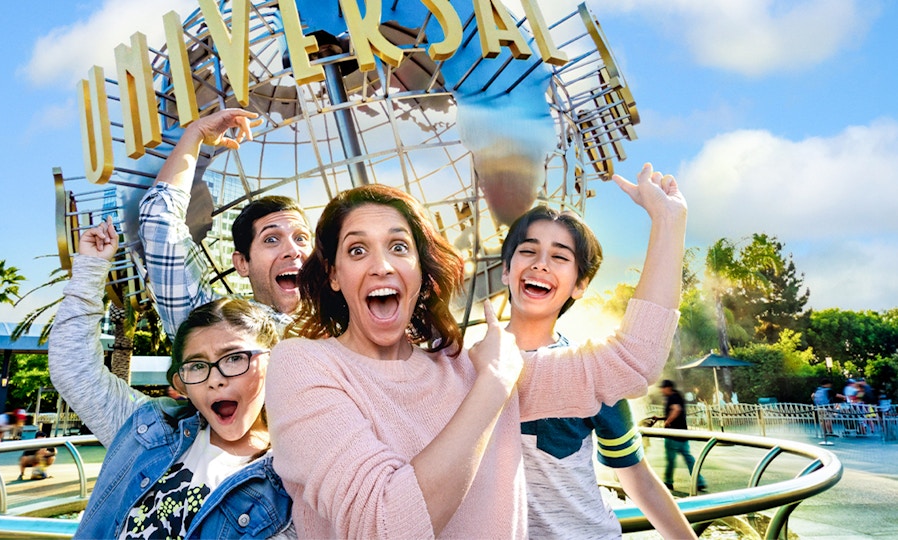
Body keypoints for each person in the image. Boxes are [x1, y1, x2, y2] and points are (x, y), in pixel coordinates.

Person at [265, 161, 687, 538]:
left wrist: (668, 224)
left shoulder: (465, 365)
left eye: (399, 247)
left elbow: (633, 363)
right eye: (358, 250)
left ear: (421, 273)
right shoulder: (303, 365)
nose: (382, 265)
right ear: (335, 275)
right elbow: (385, 525)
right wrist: (495, 385)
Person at [49, 218, 292, 538]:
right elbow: (74, 368)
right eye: (196, 366)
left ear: (274, 363)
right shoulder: (148, 430)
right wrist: (91, 268)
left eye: (234, 358)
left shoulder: (293, 477)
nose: (215, 380)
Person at [502, 204, 693, 538]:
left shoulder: (593, 372)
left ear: (580, 284)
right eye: (528, 250)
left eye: (560, 257)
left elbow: (638, 479)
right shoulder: (463, 368)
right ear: (505, 270)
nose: (541, 263)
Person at [140, 108, 312, 339]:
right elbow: (158, 219)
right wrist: (196, 134)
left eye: (301, 238)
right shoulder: (219, 328)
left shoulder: (354, 319)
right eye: (271, 239)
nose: (293, 251)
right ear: (242, 263)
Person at [659, 379, 708, 492]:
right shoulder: (678, 396)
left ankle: (668, 481)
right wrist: (660, 418)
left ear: (668, 388)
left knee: (670, 460)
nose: (661, 390)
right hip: (682, 433)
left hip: (673, 434)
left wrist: (667, 422)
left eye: (663, 388)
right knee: (688, 458)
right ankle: (699, 481)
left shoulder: (672, 397)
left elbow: (676, 410)